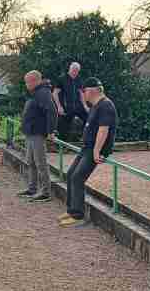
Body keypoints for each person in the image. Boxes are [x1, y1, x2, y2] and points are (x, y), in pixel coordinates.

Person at [59, 77, 118, 228]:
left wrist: (97, 151)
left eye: (84, 91)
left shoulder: (106, 106)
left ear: (92, 91)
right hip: (87, 147)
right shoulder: (96, 106)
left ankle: (78, 215)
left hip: (93, 149)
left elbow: (103, 130)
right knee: (71, 174)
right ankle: (71, 210)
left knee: (78, 177)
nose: (83, 95)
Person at [17, 71, 57, 203]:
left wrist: (51, 131)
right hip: (31, 132)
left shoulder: (43, 92)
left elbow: (52, 111)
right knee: (31, 161)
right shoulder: (36, 92)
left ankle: (46, 192)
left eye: (27, 82)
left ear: (35, 81)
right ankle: (32, 188)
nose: (26, 85)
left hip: (37, 133)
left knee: (40, 162)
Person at [53, 62, 89, 141]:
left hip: (77, 107)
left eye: (77, 71)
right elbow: (55, 93)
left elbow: (81, 93)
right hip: (66, 108)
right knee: (63, 128)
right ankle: (62, 143)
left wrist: (85, 106)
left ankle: (84, 137)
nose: (75, 72)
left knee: (88, 117)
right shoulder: (62, 79)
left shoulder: (79, 79)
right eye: (73, 70)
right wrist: (59, 107)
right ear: (70, 69)